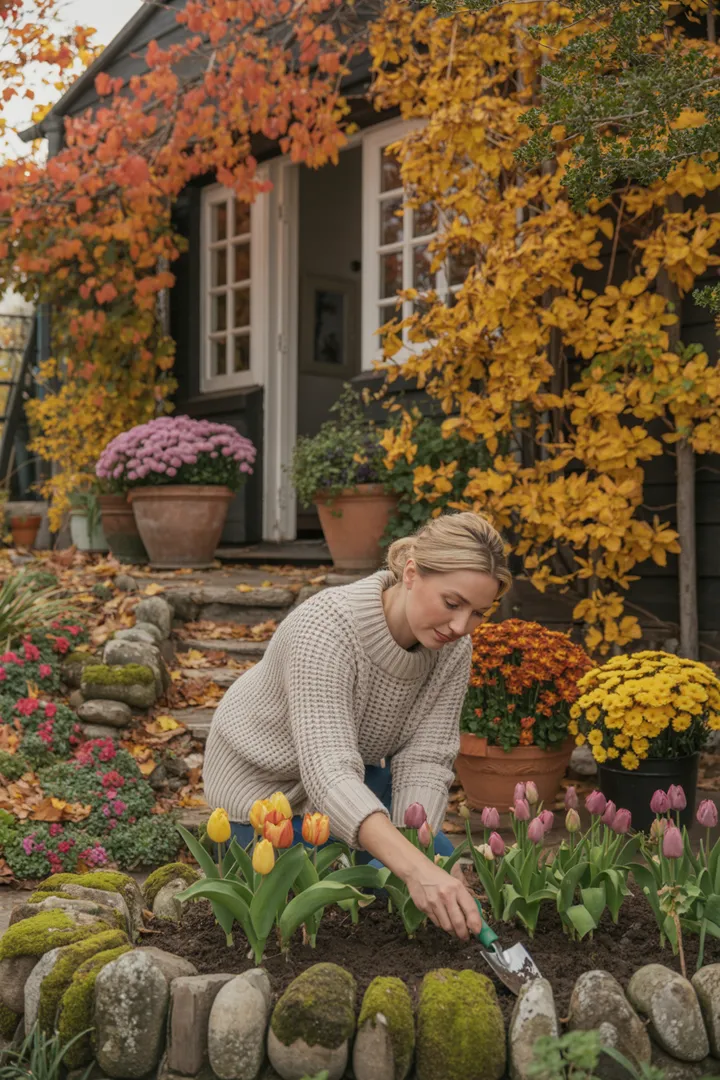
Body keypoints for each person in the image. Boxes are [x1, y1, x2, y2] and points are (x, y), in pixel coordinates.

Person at [203, 510, 511, 940]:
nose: (461, 627)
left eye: (478, 612)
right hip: (267, 802)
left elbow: (426, 758)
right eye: (452, 603)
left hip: (354, 781)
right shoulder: (326, 629)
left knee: (447, 887)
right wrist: (414, 869)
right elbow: (327, 772)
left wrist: (424, 856)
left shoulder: (452, 650)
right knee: (335, 903)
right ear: (411, 573)